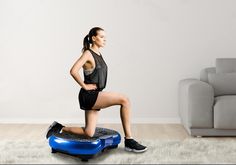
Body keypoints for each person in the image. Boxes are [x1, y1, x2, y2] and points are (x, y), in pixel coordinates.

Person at [46, 27, 147, 153]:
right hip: (89, 95)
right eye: (102, 37)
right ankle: (129, 140)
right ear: (94, 38)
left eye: (105, 37)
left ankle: (60, 128)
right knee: (124, 100)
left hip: (94, 94)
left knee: (89, 133)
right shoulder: (88, 53)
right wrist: (84, 85)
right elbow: (73, 71)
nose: (105, 40)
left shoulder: (99, 54)